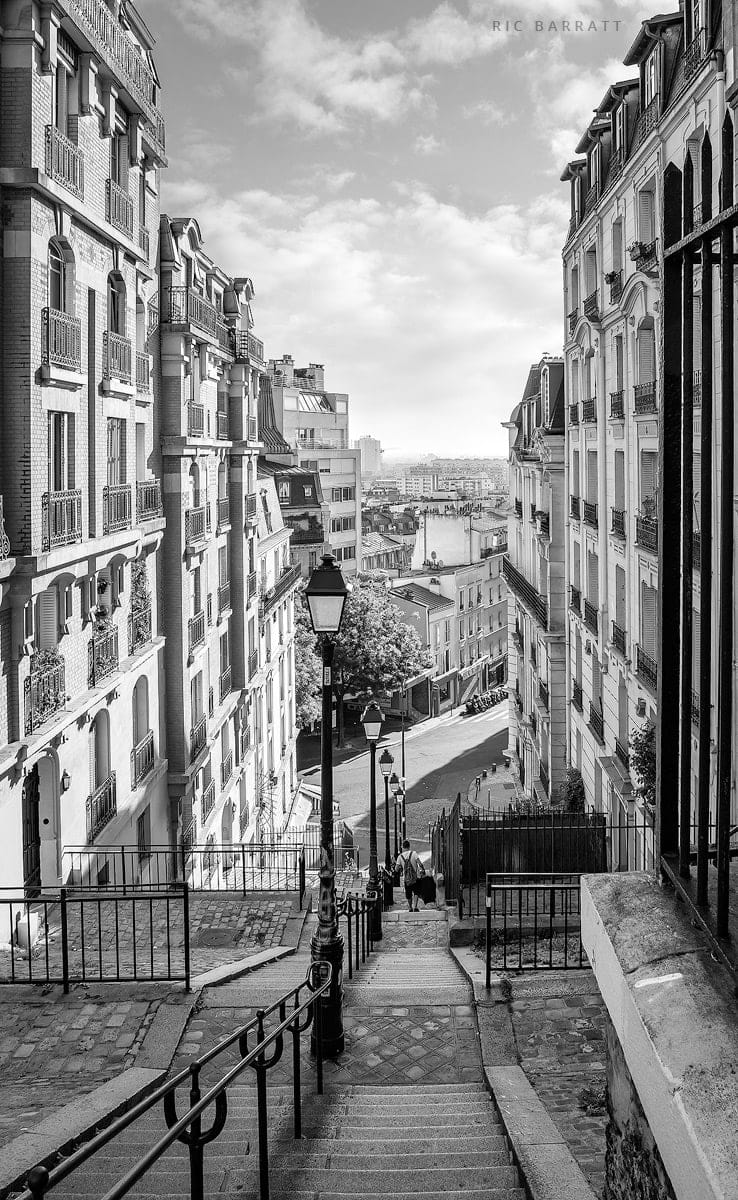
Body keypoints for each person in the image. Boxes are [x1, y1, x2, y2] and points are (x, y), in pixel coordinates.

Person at [394, 839, 425, 911]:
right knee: (416, 892)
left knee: (408, 893)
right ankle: (415, 907)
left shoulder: (400, 857)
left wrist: (396, 863)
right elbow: (420, 863)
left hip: (406, 878)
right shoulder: (414, 853)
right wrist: (422, 870)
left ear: (403, 847)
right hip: (415, 877)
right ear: (409, 846)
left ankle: (410, 907)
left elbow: (396, 869)